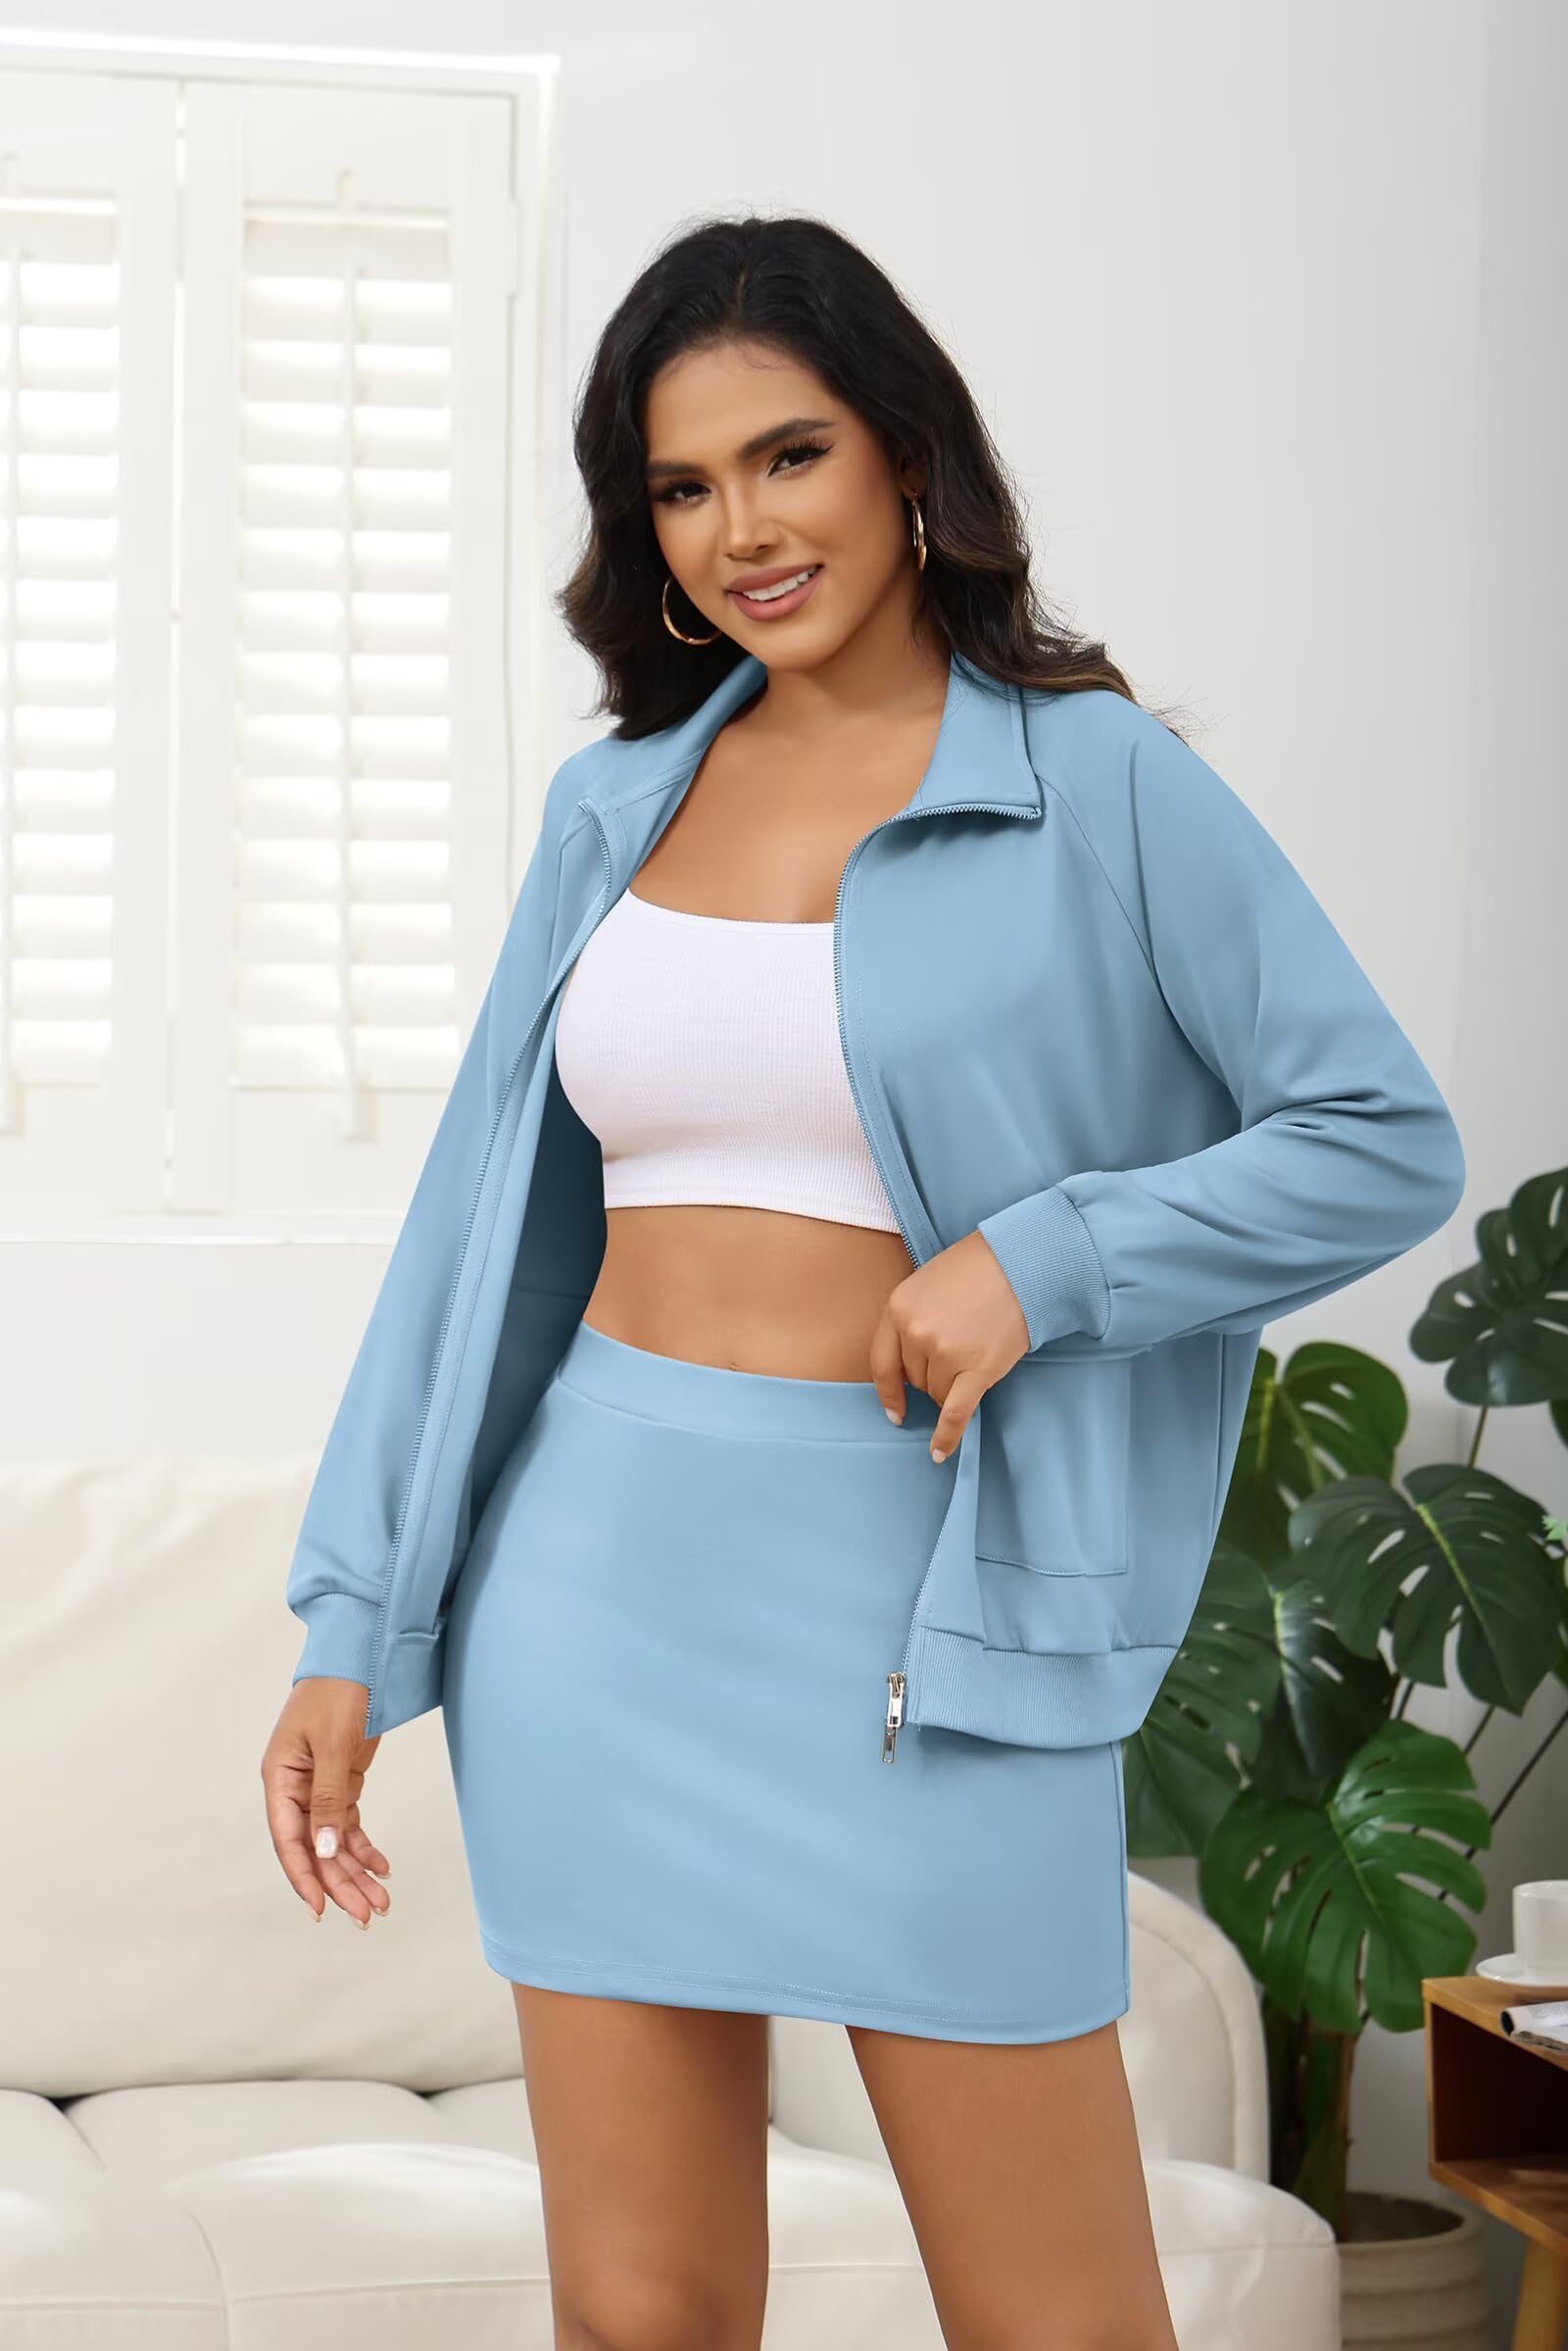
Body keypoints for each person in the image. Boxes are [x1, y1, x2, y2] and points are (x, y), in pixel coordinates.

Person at [262, 213, 1465, 2350]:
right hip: (597, 1601)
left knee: (1057, 2323)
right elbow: (478, 1250)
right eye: (681, 485)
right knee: (640, 2317)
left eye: (788, 455)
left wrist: (1048, 1259)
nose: (742, 529)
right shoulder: (613, 807)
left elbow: (1379, 1137)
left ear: (908, 455)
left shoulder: (1094, 784)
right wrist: (356, 1625)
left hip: (932, 1612)